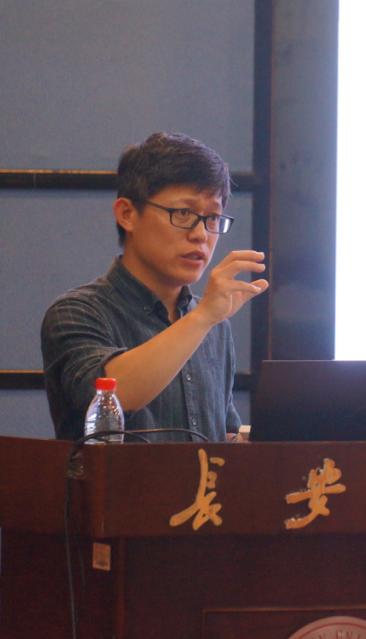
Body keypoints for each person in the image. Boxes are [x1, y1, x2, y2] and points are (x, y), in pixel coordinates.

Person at [41, 132, 268, 442]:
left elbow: (220, 437)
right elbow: (112, 395)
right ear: (127, 214)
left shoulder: (214, 326)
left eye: (213, 217)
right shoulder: (76, 312)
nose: (201, 234)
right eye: (184, 213)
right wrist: (202, 318)